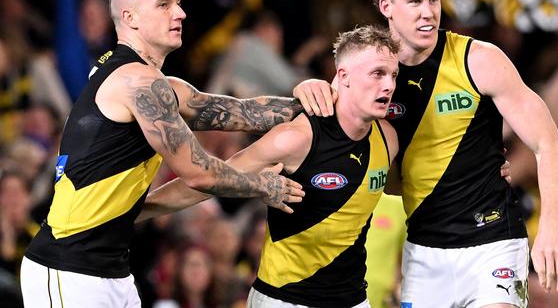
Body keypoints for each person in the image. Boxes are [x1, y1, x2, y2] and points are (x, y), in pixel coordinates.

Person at [294, 0, 558, 307]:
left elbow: (548, 143)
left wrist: (550, 228)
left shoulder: (480, 60)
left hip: (493, 244)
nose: (428, 12)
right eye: (414, 1)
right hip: (423, 252)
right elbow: (350, 154)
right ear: (386, 7)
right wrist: (306, 89)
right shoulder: (368, 73)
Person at [19, 0, 306, 308]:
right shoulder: (135, 82)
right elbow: (199, 172)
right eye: (164, 4)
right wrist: (263, 186)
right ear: (130, 18)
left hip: (113, 271)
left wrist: (317, 102)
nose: (180, 13)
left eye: (179, 4)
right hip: (68, 269)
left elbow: (240, 111)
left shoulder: (156, 84)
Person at [139, 25, 401, 307]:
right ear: (344, 77)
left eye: (393, 75)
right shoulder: (296, 137)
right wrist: (135, 211)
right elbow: (209, 180)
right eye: (377, 74)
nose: (388, 85)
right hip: (285, 299)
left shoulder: (388, 139)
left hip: (354, 299)